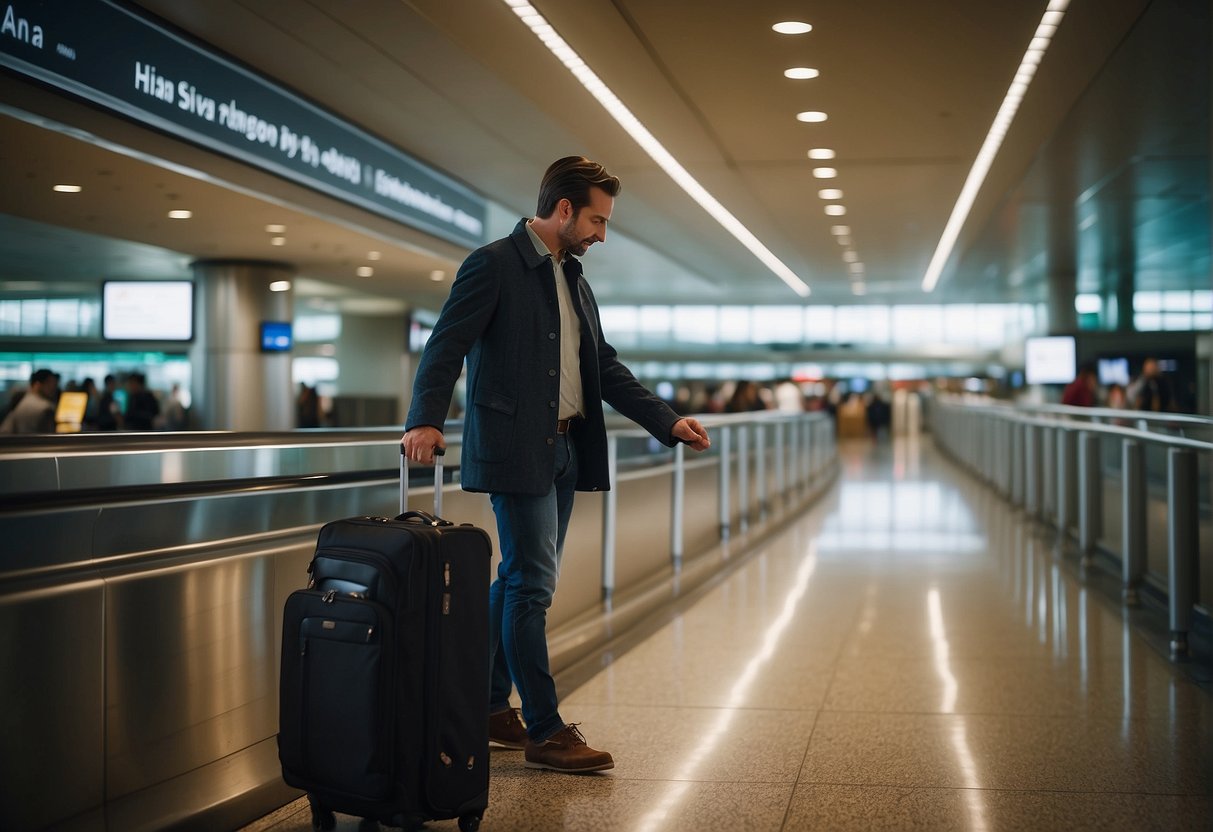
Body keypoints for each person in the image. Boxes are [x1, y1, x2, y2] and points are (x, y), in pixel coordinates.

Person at [402, 156, 711, 774]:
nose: (602, 234)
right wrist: (424, 420)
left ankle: (490, 707)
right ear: (563, 209)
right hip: (517, 450)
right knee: (531, 588)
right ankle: (544, 729)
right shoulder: (492, 264)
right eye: (597, 220)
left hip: (567, 451)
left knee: (517, 582)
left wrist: (665, 420)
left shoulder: (574, 279)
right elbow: (446, 345)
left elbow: (604, 367)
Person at [0, 368, 59, 433]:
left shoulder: (24, 400)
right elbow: (50, 438)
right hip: (33, 442)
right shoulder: (45, 408)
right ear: (37, 385)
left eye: (54, 383)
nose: (53, 387)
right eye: (49, 383)